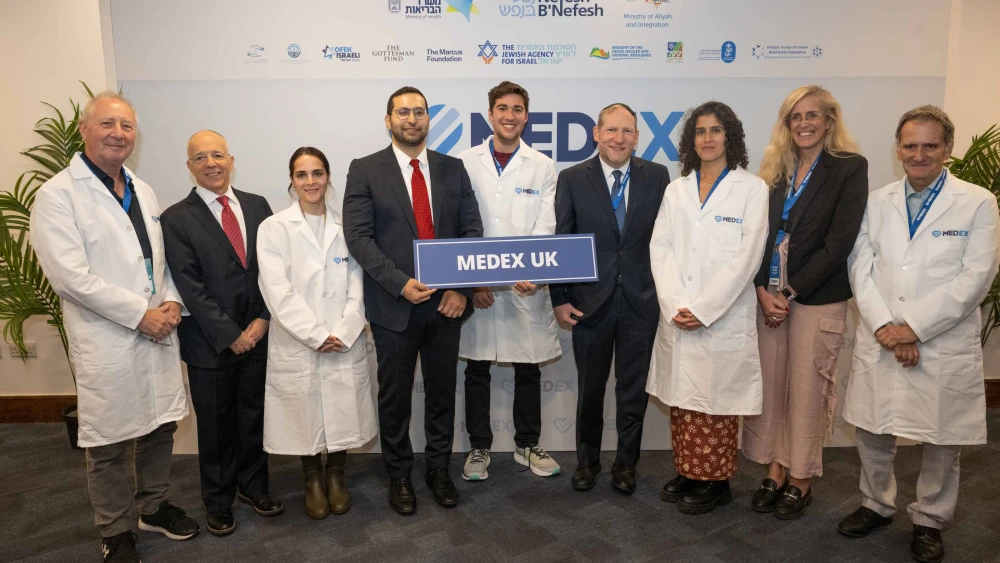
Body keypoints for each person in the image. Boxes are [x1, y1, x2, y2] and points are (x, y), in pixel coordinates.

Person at [29, 92, 199, 563]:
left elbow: (159, 260)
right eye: (108, 124)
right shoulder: (58, 194)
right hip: (106, 333)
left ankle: (154, 506)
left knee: (161, 426)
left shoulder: (141, 190)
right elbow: (69, 276)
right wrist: (138, 313)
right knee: (106, 441)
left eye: (126, 126)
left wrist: (167, 303)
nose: (118, 134)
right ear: (85, 130)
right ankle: (116, 529)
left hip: (157, 327)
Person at [839, 106, 1000, 563]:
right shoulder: (878, 200)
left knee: (941, 438)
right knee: (873, 429)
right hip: (883, 334)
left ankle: (930, 519)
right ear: (897, 149)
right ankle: (875, 503)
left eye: (930, 145)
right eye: (910, 145)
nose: (919, 153)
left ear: (947, 149)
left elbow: (976, 277)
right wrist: (887, 328)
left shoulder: (977, 202)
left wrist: (914, 328)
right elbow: (860, 267)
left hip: (940, 340)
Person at [343, 86, 483, 514]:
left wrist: (460, 288)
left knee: (441, 395)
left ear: (428, 119)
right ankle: (399, 474)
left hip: (446, 307)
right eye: (402, 112)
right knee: (395, 398)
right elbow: (359, 238)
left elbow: (471, 233)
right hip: (394, 306)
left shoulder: (452, 169)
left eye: (419, 112)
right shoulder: (365, 169)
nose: (411, 119)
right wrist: (398, 283)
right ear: (388, 120)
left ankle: (437, 469)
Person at [740, 86, 868, 519]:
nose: (804, 124)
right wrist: (761, 289)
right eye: (795, 117)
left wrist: (790, 291)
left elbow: (839, 242)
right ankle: (774, 470)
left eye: (812, 115)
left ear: (829, 120)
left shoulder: (849, 168)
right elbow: (758, 237)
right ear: (786, 124)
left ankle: (800, 479)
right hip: (770, 297)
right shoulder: (776, 169)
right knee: (773, 387)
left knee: (807, 390)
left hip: (816, 297)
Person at [646, 101, 769, 515]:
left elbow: (747, 258)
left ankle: (715, 481)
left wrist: (705, 308)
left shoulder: (752, 189)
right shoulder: (675, 189)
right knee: (683, 400)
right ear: (690, 140)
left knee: (714, 403)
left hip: (722, 316)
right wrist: (678, 304)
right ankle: (687, 470)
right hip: (679, 314)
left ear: (730, 137)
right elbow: (659, 248)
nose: (708, 138)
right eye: (700, 131)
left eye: (716, 131)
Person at [160, 130, 282, 536]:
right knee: (214, 426)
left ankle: (254, 487)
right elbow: (188, 283)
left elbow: (272, 270)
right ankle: (218, 501)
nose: (211, 163)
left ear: (231, 160)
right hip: (210, 343)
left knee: (253, 417)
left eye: (218, 155)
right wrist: (231, 334)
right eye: (200, 157)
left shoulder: (257, 205)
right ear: (190, 166)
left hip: (258, 334)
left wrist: (263, 319)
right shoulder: (176, 217)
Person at [551, 103, 670, 495]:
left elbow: (667, 242)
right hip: (589, 304)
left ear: (637, 137)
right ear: (596, 134)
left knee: (632, 392)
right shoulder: (571, 178)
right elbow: (562, 242)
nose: (620, 138)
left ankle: (625, 464)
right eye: (612, 130)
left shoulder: (657, 176)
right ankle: (587, 463)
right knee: (590, 389)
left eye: (628, 131)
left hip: (641, 302)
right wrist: (559, 298)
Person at [257, 147, 377, 520]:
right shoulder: (273, 228)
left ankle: (336, 474)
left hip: (344, 337)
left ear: (328, 178)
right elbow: (276, 291)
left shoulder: (347, 228)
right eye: (302, 175)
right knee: (303, 409)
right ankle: (311, 477)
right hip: (298, 339)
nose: (311, 182)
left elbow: (360, 283)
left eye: (317, 173)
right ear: (292, 182)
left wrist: (344, 330)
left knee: (342, 408)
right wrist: (314, 334)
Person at [457, 81, 561, 481]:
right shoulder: (464, 162)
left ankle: (526, 444)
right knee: (477, 369)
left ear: (526, 116)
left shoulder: (542, 165)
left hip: (525, 287)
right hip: (480, 288)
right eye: (502, 108)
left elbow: (546, 223)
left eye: (517, 109)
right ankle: (479, 447)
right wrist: (475, 283)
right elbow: (462, 224)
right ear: (490, 114)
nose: (510, 115)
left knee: (528, 367)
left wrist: (532, 270)